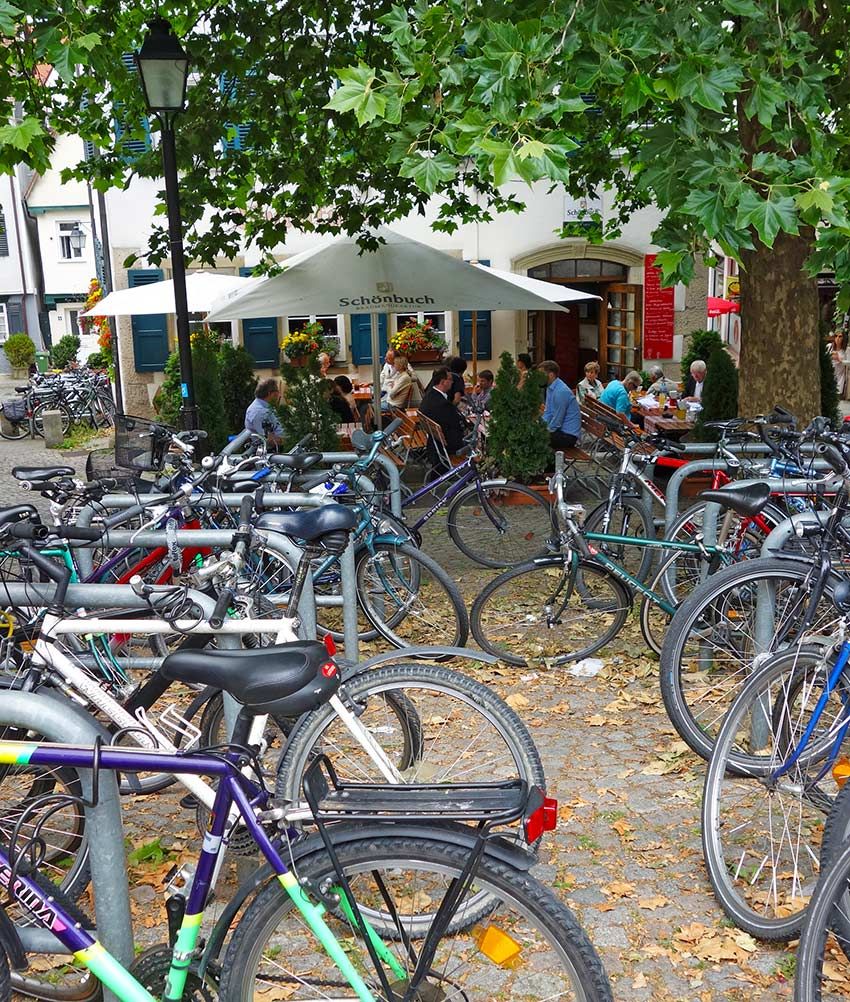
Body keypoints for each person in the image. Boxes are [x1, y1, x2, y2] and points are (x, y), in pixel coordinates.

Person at [419, 365, 466, 456]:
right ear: (443, 382)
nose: (452, 382)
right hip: (448, 446)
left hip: (434, 442)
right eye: (450, 379)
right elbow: (457, 424)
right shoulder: (443, 404)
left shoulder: (429, 396)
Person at [539, 360, 581, 449]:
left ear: (551, 374)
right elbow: (548, 412)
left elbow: (557, 421)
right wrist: (539, 426)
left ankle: (547, 462)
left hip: (568, 436)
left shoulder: (560, 391)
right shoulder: (550, 388)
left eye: (541, 374)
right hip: (560, 432)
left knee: (536, 439)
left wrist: (543, 431)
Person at [244, 378, 284, 445]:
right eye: (277, 392)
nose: (279, 396)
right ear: (270, 394)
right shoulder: (259, 412)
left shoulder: (266, 407)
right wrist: (290, 440)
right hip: (270, 452)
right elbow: (269, 440)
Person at [831, 330, 847, 397]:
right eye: (836, 336)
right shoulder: (829, 347)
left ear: (843, 338)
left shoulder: (845, 351)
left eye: (840, 336)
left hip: (839, 380)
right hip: (829, 377)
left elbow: (847, 363)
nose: (837, 338)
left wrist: (838, 359)